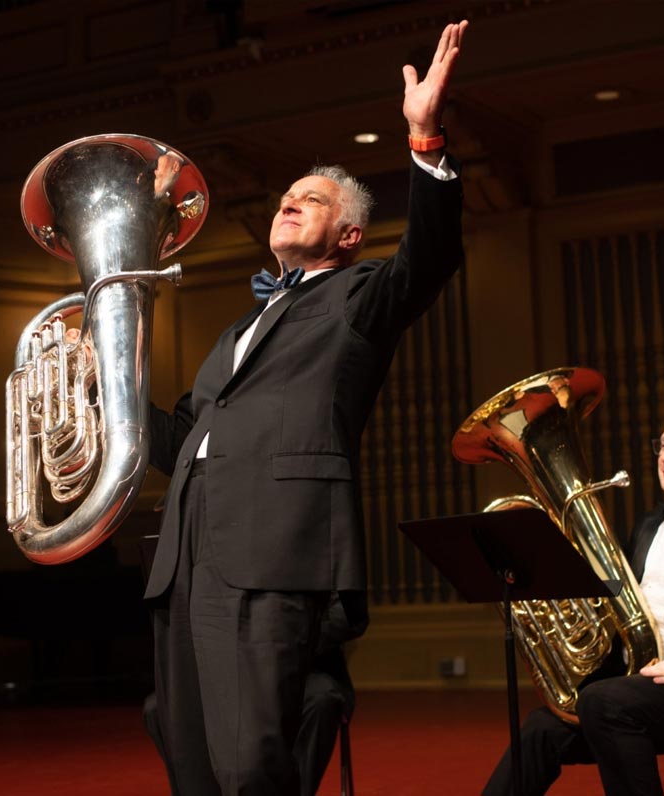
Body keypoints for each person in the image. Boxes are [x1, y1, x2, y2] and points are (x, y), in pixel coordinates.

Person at [143, 20, 469, 796]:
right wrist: (104, 390)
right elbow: (185, 441)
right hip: (186, 559)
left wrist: (424, 141)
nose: (289, 204)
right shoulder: (232, 334)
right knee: (190, 763)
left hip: (271, 548)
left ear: (350, 233)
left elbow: (429, 258)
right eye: (285, 198)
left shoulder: (361, 298)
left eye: (311, 200)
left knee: (252, 762)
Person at [483, 406, 664, 796]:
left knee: (604, 702)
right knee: (540, 729)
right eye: (663, 445)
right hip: (643, 686)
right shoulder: (649, 526)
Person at [142, 592, 360, 796]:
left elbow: (347, 616)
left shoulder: (319, 553)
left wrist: (285, 641)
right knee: (158, 708)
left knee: (322, 700)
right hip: (236, 674)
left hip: (306, 670)